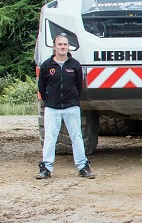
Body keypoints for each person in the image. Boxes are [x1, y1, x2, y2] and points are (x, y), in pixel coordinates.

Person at [36, 34, 94, 180]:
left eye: (65, 44)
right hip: (52, 108)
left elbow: (78, 86)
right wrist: (49, 100)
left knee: (77, 137)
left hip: (71, 107)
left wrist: (72, 98)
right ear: (54, 47)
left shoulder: (74, 65)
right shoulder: (46, 66)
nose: (62, 47)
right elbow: (42, 87)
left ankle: (83, 167)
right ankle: (46, 168)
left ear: (68, 47)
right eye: (60, 44)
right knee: (50, 138)